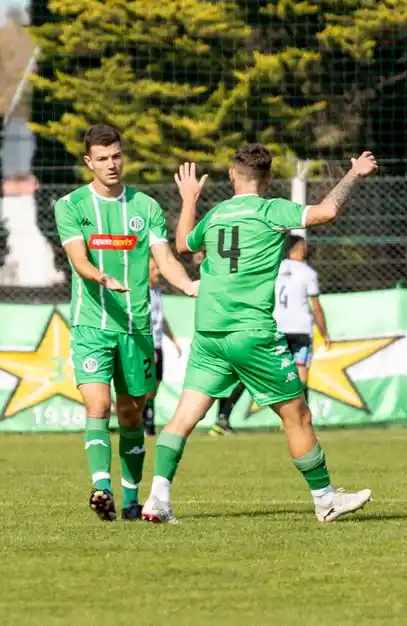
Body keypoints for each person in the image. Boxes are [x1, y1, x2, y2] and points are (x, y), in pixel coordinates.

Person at [142, 144, 378, 524]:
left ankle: (157, 498)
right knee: (297, 416)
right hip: (252, 332)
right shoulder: (272, 211)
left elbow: (185, 244)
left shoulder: (216, 214)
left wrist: (189, 199)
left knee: (184, 416)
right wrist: (353, 173)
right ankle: (325, 499)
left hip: (209, 331)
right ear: (268, 179)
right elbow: (328, 211)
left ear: (232, 175)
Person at [54, 124, 198, 522]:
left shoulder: (145, 207)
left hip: (136, 329)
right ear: (89, 163)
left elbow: (165, 257)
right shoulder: (70, 205)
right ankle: (101, 489)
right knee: (98, 405)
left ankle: (132, 501)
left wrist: (186, 285)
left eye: (116, 155)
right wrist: (102, 277)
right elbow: (78, 259)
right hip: (91, 325)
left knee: (132, 413)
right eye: (102, 158)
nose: (111, 164)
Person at [275, 234, 331, 392]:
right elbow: (316, 307)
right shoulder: (308, 273)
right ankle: (300, 415)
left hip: (278, 328)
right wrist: (324, 333)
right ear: (300, 248)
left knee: (278, 375)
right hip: (300, 329)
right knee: (300, 379)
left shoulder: (274, 269)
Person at [142, 256, 180, 436]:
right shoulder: (141, 293)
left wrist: (173, 340)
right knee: (145, 386)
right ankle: (144, 423)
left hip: (158, 345)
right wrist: (148, 347)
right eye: (154, 269)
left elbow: (160, 318)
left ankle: (148, 420)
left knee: (155, 385)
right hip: (146, 345)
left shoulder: (157, 291)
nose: (157, 272)